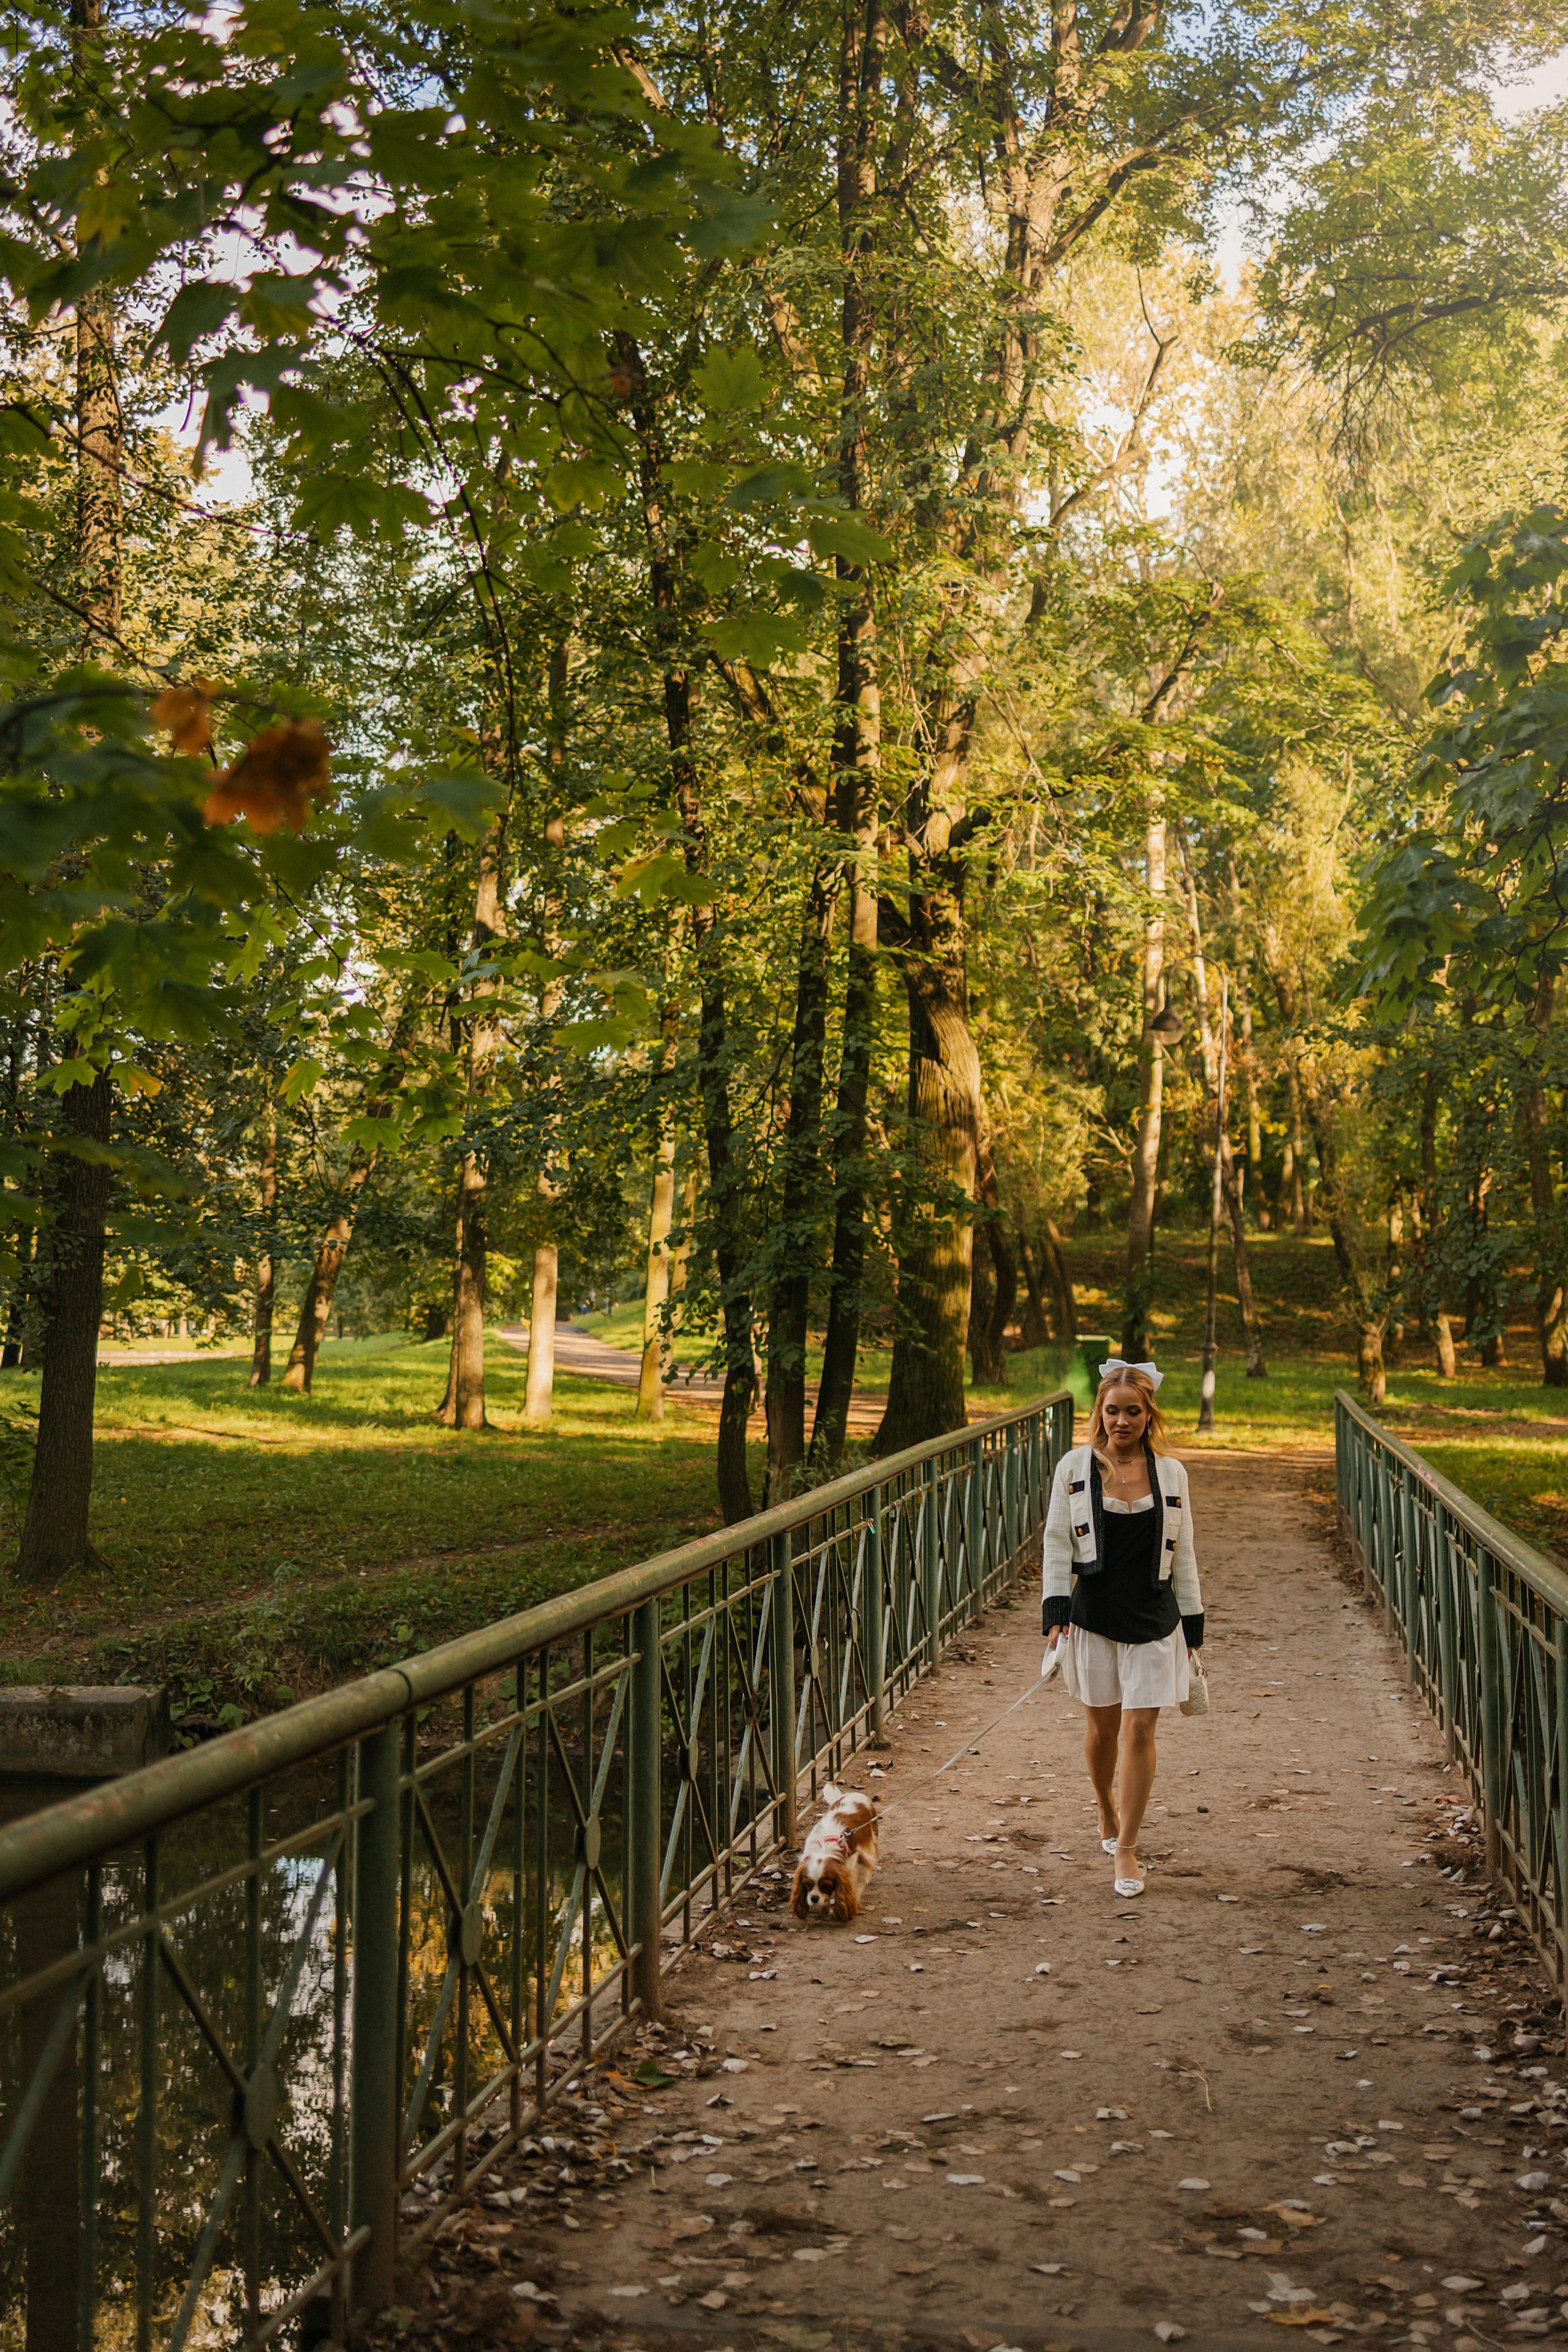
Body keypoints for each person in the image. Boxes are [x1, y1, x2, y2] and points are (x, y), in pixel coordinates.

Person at [1041, 1358, 1204, 1898]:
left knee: (1140, 1730)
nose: (1122, 1422)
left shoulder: (1172, 1473)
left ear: (1148, 1414)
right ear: (1100, 1413)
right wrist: (1055, 1614)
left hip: (1155, 1616)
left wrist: (1194, 1628)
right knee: (1103, 1730)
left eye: (1133, 1412)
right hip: (1094, 1615)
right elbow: (1057, 1542)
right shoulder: (1075, 1467)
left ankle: (1128, 1849)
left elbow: (1185, 1554)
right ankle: (1106, 1807)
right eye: (1113, 1411)